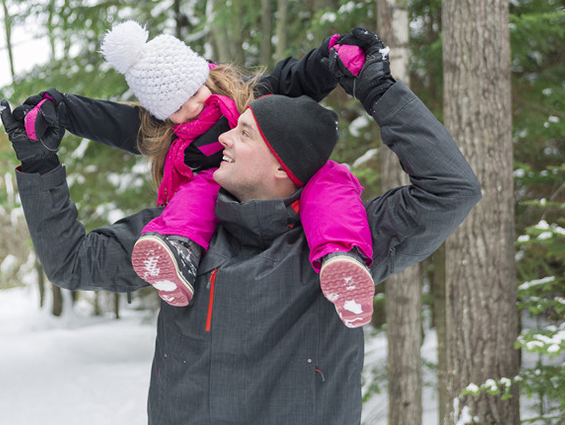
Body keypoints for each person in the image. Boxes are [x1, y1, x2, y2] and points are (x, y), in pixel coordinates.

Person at [0, 27, 482, 424]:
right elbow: (71, 262)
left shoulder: (352, 236)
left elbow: (452, 189)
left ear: (280, 164)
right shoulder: (173, 235)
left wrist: (377, 88)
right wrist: (40, 164)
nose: (223, 136)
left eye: (244, 132)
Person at [21, 21, 374, 326]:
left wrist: (332, 59)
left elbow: (297, 77)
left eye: (193, 92)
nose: (191, 107)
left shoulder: (250, 96)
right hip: (218, 200)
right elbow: (108, 121)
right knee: (199, 191)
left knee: (330, 185)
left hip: (289, 179)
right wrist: (60, 108)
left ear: (204, 75)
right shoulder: (170, 139)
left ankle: (342, 260)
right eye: (176, 107)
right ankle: (176, 250)